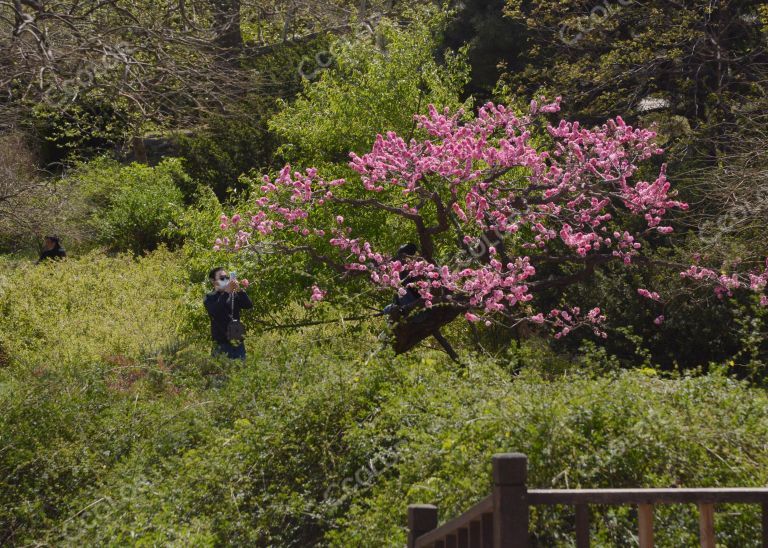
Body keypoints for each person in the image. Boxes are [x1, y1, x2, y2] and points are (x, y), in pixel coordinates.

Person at [204, 267, 253, 360]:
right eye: (222, 278)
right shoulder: (209, 297)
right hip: (221, 344)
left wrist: (239, 289)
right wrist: (226, 292)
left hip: (238, 343)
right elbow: (215, 311)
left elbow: (248, 305)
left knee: (240, 372)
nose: (226, 280)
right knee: (221, 373)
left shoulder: (234, 294)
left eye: (227, 277)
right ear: (213, 281)